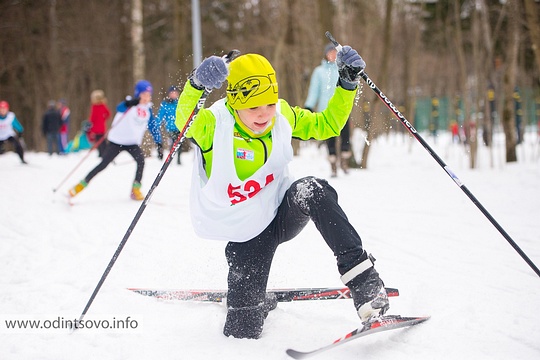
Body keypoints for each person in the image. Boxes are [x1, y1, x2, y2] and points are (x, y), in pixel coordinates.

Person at [175, 46, 389, 339]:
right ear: (234, 103)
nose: (264, 115)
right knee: (242, 332)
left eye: (269, 104)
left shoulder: (282, 115)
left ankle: (364, 282)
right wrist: (196, 86)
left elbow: (327, 125)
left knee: (312, 189)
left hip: (280, 213)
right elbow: (183, 122)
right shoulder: (215, 124)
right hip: (245, 235)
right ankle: (255, 301)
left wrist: (347, 84)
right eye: (253, 107)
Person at [68, 80, 162, 201]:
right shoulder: (128, 105)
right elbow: (119, 107)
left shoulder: (147, 110)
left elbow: (153, 127)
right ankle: (80, 185)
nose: (146, 97)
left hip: (132, 143)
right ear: (138, 94)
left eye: (148, 95)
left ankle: (135, 189)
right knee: (103, 164)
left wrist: (159, 143)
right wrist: (131, 103)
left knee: (141, 161)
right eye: (143, 94)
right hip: (116, 142)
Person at [305, 43, 353, 177]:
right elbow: (314, 90)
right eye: (330, 52)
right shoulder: (319, 71)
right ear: (326, 54)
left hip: (342, 110)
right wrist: (309, 105)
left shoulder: (342, 69)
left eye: (335, 53)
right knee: (330, 138)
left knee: (346, 136)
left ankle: (344, 161)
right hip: (325, 110)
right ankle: (333, 165)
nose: (332, 55)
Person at [156, 85, 182, 164]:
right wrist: (157, 124)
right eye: (172, 93)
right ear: (169, 94)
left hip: (180, 127)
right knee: (174, 142)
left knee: (180, 143)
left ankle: (178, 160)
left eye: (175, 93)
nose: (174, 94)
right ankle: (170, 159)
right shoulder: (165, 104)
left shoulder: (179, 103)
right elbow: (160, 115)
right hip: (170, 127)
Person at [88, 89, 111, 157]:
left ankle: (103, 153)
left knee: (99, 141)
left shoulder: (95, 107)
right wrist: (104, 118)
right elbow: (108, 114)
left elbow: (92, 117)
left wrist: (90, 123)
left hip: (96, 127)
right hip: (101, 127)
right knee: (101, 140)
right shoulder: (103, 106)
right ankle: (103, 152)